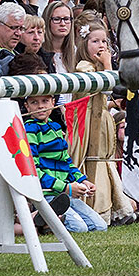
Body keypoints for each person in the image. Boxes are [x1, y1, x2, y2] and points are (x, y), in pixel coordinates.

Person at [16, 66, 96, 227]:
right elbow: (34, 169)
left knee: (99, 226)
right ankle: (40, 219)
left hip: (65, 193)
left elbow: (66, 161)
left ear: (53, 102)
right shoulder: (29, 130)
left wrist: (82, 180)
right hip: (48, 193)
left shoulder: (56, 128)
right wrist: (65, 187)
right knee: (78, 228)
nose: (40, 106)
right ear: (27, 106)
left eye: (45, 101)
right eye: (34, 102)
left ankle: (45, 221)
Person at [72, 21, 135, 223]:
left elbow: (103, 98)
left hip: (101, 117)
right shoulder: (84, 67)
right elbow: (107, 88)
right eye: (95, 41)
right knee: (93, 159)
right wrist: (108, 66)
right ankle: (95, 208)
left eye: (104, 41)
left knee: (104, 159)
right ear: (84, 44)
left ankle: (114, 205)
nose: (101, 46)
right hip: (90, 125)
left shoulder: (96, 66)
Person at [38, 0, 76, 75]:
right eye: (57, 19)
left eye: (66, 19)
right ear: (47, 21)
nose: (62, 24)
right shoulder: (39, 53)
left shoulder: (76, 52)